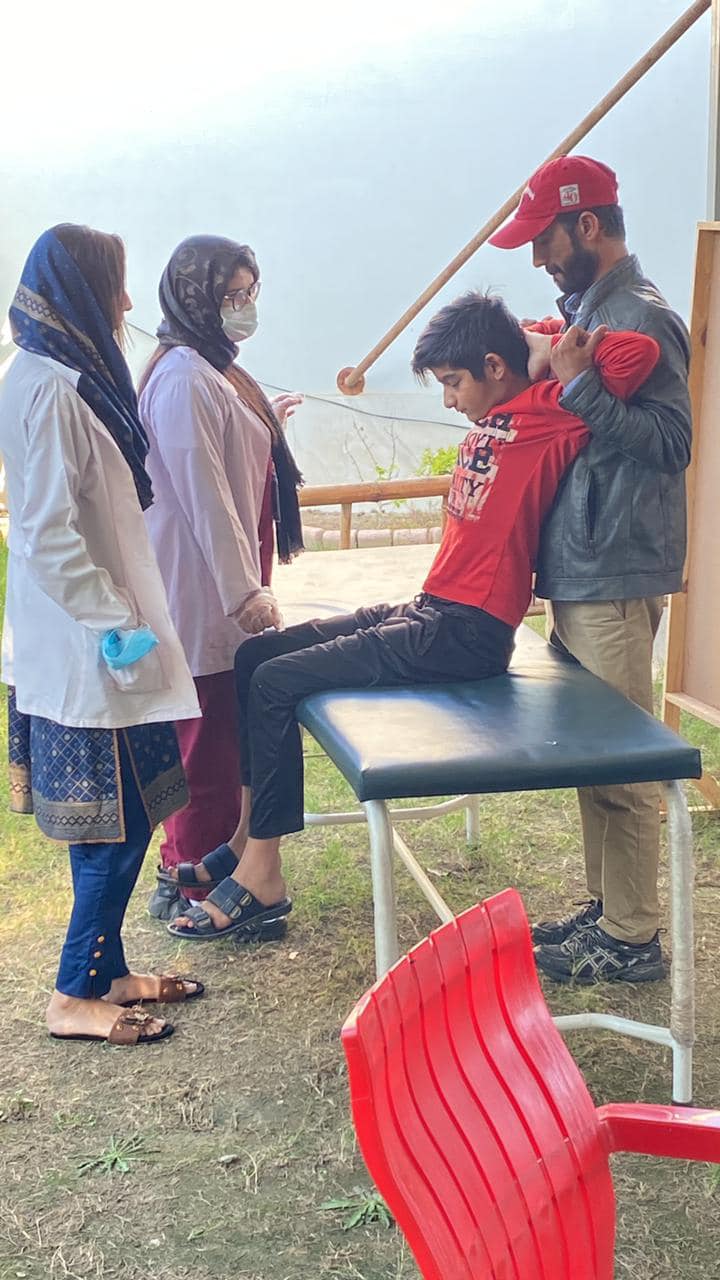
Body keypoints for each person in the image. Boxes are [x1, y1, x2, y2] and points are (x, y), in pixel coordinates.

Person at [162, 290, 660, 944]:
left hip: (467, 632)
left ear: (495, 365)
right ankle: (243, 839)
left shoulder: (555, 407)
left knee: (278, 684)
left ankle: (262, 874)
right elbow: (522, 353)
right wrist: (526, 342)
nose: (449, 400)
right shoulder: (508, 401)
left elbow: (638, 355)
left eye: (454, 383)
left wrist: (543, 347)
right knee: (258, 658)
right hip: (432, 608)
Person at [489, 154, 692, 984]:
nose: (539, 259)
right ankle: (610, 907)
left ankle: (635, 934)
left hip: (615, 569)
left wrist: (579, 391)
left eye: (545, 241)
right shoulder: (588, 313)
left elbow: (675, 446)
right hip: (579, 571)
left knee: (624, 758)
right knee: (591, 753)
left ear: (588, 225)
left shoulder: (645, 320)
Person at [1, 224, 203, 1046]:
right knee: (110, 833)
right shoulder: (48, 389)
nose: (126, 303)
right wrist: (116, 622)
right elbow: (45, 532)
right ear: (80, 290)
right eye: (115, 285)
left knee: (132, 817)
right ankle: (70, 996)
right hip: (93, 649)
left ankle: (110, 972)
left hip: (98, 644)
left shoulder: (52, 377)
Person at [138, 236, 303, 923]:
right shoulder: (182, 377)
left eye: (249, 294)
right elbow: (206, 494)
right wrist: (244, 593)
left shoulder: (211, 368)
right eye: (230, 296)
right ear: (195, 297)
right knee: (204, 747)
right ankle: (198, 882)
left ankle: (197, 870)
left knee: (218, 735)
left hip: (219, 581)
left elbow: (227, 460)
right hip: (203, 589)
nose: (242, 309)